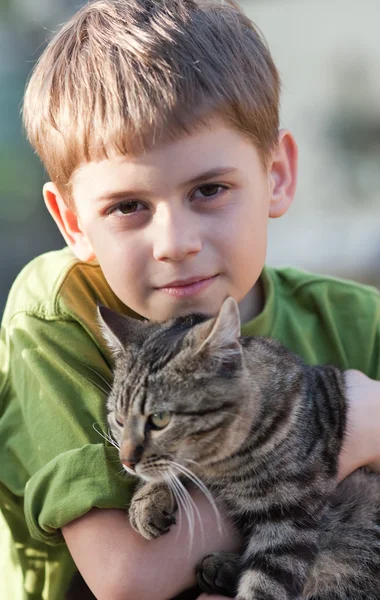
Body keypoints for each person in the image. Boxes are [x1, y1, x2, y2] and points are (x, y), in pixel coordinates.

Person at [1, 0, 380, 598]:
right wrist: (351, 434)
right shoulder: (60, 312)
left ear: (276, 175)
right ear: (72, 222)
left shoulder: (357, 319)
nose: (175, 244)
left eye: (209, 189)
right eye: (128, 206)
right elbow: (128, 579)